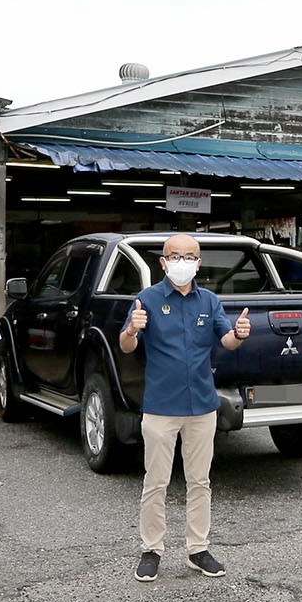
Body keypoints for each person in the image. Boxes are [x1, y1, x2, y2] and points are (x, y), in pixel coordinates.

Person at [119, 233, 252, 582]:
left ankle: (198, 549)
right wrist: (131, 330)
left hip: (202, 406)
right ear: (163, 263)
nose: (183, 262)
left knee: (200, 481)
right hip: (161, 406)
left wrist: (239, 333)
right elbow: (126, 345)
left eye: (189, 256)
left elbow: (227, 340)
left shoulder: (209, 301)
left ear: (199, 262)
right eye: (175, 256)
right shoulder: (147, 299)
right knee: (156, 482)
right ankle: (151, 549)